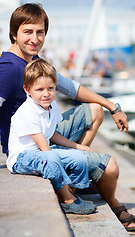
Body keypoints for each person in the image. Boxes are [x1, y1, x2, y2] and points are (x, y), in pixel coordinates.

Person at [0, 3, 135, 232]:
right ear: (14, 34)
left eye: (39, 32)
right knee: (110, 169)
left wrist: (112, 106)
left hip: (49, 131)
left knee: (95, 110)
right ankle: (92, 195)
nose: (35, 38)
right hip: (27, 145)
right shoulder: (5, 69)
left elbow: (70, 87)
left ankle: (71, 179)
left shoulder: (33, 59)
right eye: (27, 32)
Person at [9, 58, 96, 214]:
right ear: (27, 90)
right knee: (51, 158)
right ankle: (68, 199)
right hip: (22, 157)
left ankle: (70, 193)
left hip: (41, 153)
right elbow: (44, 147)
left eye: (50, 88)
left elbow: (52, 134)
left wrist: (77, 146)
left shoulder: (51, 106)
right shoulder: (27, 111)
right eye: (40, 89)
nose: (46, 94)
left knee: (79, 157)